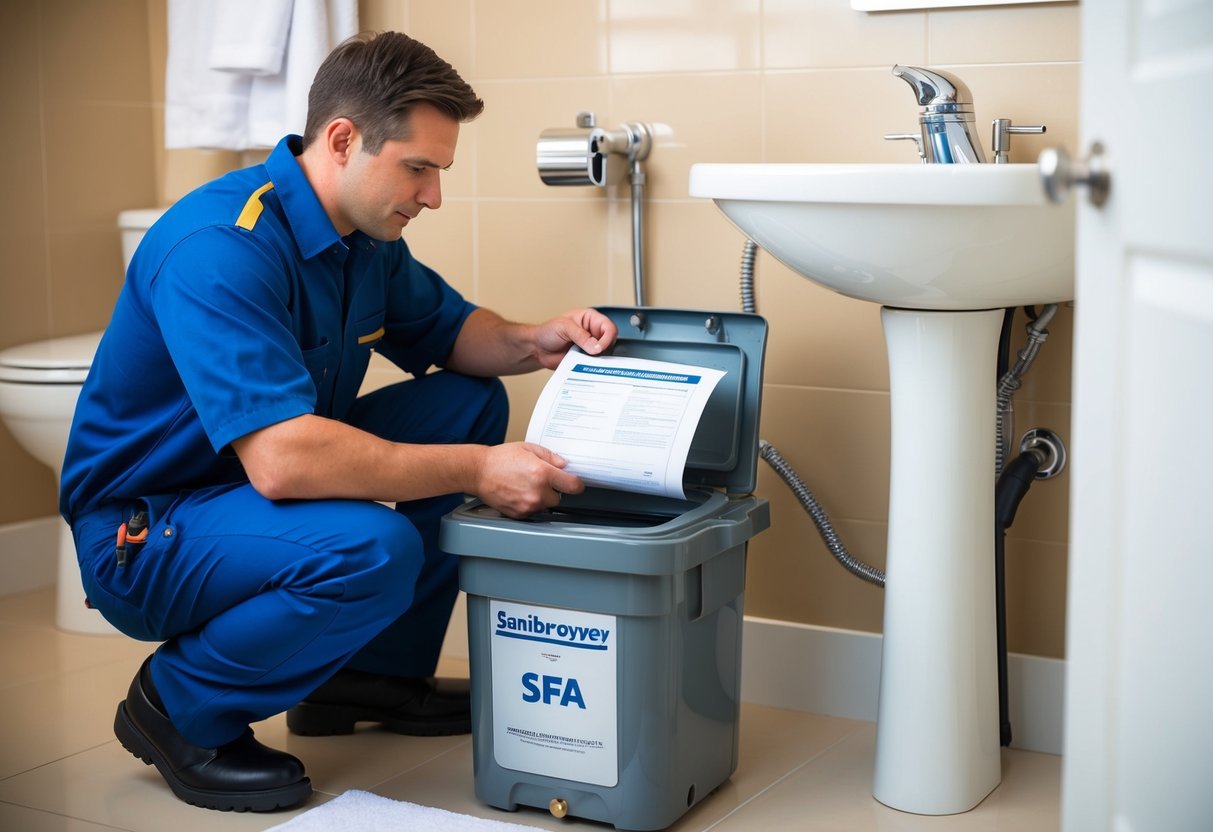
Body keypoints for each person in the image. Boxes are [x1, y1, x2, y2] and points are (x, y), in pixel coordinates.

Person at [59, 31, 617, 813]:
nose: (432, 195)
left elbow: (451, 335)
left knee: (468, 403)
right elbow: (285, 462)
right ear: (344, 140)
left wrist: (534, 340)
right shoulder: (223, 246)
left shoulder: (362, 236)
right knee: (371, 549)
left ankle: (370, 676)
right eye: (417, 167)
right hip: (150, 529)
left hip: (248, 495)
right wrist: (477, 470)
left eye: (438, 171)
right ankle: (178, 705)